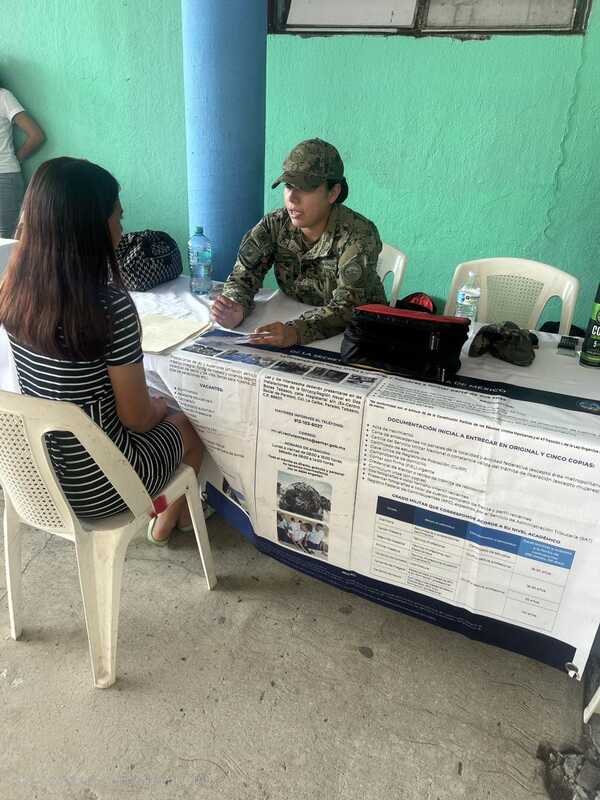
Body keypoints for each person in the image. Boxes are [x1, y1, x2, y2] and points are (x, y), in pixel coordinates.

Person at [0, 157, 202, 545]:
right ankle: (164, 522)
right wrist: (161, 408)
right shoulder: (108, 307)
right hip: (101, 487)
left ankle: (171, 516)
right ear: (91, 227)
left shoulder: (14, 290)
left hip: (35, 478)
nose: (122, 229)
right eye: (118, 217)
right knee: (188, 426)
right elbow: (138, 419)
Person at [212, 138, 386, 347]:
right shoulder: (275, 224)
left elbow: (348, 306)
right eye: (288, 186)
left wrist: (296, 331)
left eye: (305, 188)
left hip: (355, 336)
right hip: (292, 313)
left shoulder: (358, 235)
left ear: (333, 193)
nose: (292, 199)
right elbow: (243, 276)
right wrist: (236, 307)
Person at [0, 85, 45, 238]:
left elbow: (36, 135)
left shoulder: (3, 97)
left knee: (7, 241)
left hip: (4, 178)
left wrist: (14, 159)